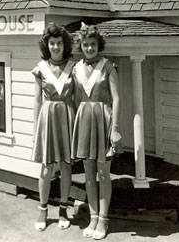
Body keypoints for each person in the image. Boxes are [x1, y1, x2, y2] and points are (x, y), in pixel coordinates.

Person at [71, 23, 121, 240]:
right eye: (85, 45)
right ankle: (92, 217)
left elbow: (117, 98)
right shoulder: (76, 68)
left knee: (103, 173)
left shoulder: (108, 66)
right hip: (84, 121)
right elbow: (73, 99)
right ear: (81, 46)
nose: (89, 48)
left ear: (98, 45)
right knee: (88, 174)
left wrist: (115, 128)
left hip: (104, 120)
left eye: (92, 44)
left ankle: (103, 219)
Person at [31, 24, 75, 231]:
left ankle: (64, 209)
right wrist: (35, 130)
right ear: (46, 45)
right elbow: (37, 101)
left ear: (64, 45)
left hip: (67, 117)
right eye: (52, 43)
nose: (55, 47)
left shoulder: (74, 67)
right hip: (47, 118)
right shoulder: (41, 68)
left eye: (59, 43)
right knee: (47, 167)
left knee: (66, 166)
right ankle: (42, 209)